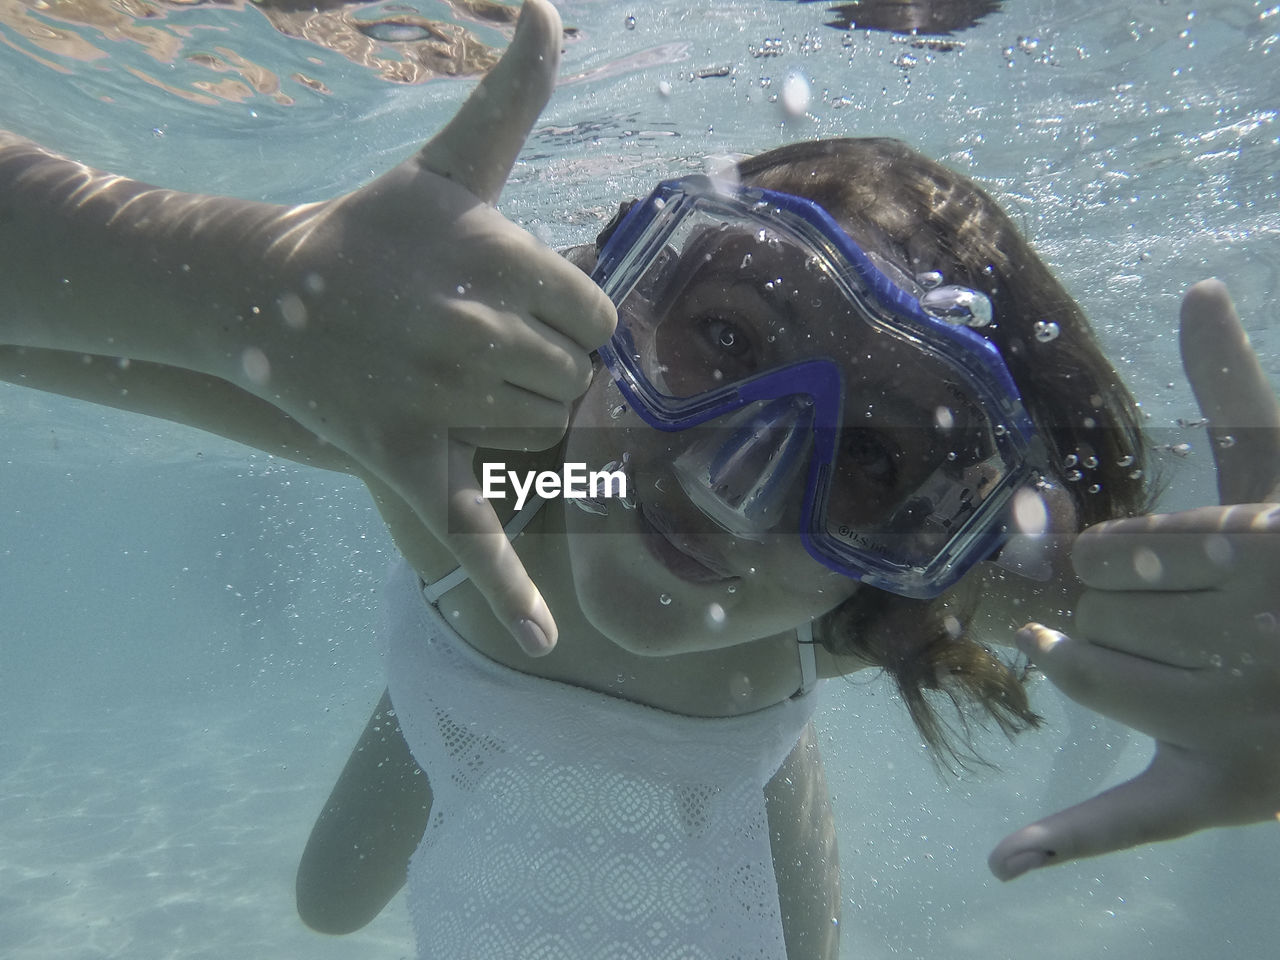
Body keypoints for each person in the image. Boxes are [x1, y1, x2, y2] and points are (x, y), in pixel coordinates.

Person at [1, 1, 1277, 957]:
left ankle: (480, 670)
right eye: (721, 337)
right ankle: (444, 684)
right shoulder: (530, 485)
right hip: (493, 630)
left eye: (876, 454)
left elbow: (1146, 597)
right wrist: (259, 290)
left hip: (721, 751)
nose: (742, 479)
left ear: (928, 528)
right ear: (608, 303)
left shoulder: (857, 585)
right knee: (326, 907)